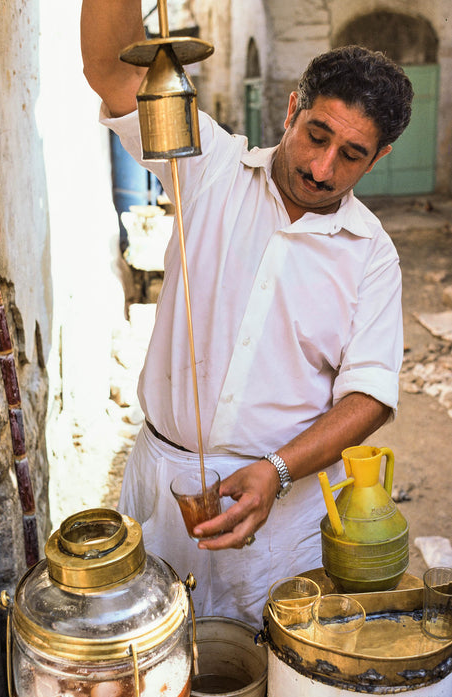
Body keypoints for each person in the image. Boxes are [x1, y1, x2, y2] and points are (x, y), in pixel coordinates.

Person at [81, 1, 413, 626]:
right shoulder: (209, 167)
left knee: (265, 667)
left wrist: (277, 471)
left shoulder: (372, 256)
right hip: (165, 484)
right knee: (149, 660)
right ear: (291, 110)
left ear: (381, 156)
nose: (322, 169)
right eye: (317, 135)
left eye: (352, 155)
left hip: (281, 512)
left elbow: (368, 396)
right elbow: (111, 70)